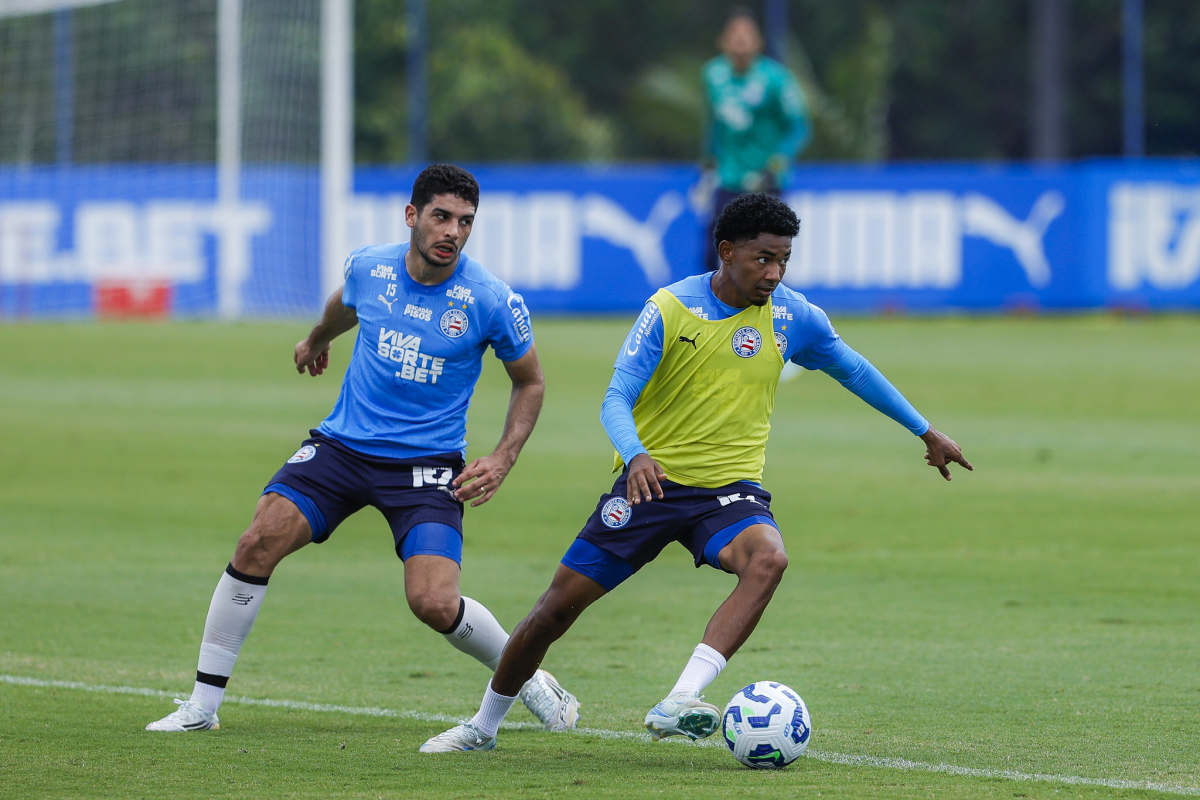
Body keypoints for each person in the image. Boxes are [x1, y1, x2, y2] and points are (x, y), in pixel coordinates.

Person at [420, 193, 971, 753]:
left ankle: (678, 700)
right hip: (650, 487)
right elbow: (616, 397)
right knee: (554, 611)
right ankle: (483, 727)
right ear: (727, 251)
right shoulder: (670, 309)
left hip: (729, 493)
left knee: (769, 558)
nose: (774, 273)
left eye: (783, 260)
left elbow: (853, 368)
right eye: (762, 259)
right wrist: (635, 454)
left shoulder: (793, 316)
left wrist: (925, 431)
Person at [146, 164, 579, 734]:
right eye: (441, 217)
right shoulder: (370, 266)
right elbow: (346, 303)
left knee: (433, 602)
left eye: (466, 222)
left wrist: (502, 457)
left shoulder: (489, 298)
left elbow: (531, 381)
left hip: (426, 467)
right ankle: (201, 708)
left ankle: (528, 677)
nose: (453, 231)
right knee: (258, 540)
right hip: (342, 450)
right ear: (412, 216)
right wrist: (316, 339)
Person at [700, 7, 811, 268]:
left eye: (746, 35)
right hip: (728, 177)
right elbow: (715, 124)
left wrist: (778, 162)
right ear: (723, 41)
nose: (740, 41)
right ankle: (710, 307)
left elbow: (798, 126)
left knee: (766, 252)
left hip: (766, 177)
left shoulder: (776, 79)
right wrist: (709, 159)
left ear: (758, 42)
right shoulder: (713, 75)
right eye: (734, 35)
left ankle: (765, 307)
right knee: (712, 247)